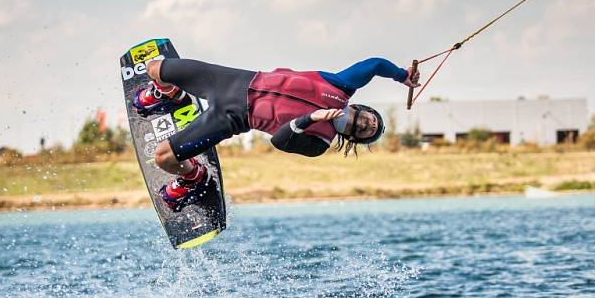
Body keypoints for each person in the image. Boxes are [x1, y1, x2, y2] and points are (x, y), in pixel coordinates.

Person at [132, 57, 420, 210]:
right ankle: (170, 95)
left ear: (353, 139)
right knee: (154, 68)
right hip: (235, 80)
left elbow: (280, 140)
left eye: (364, 132)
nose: (364, 125)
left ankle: (195, 178)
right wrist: (401, 76)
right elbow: (375, 64)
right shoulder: (341, 86)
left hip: (232, 118)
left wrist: (310, 118)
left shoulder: (318, 142)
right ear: (362, 108)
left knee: (163, 157)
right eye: (368, 120)